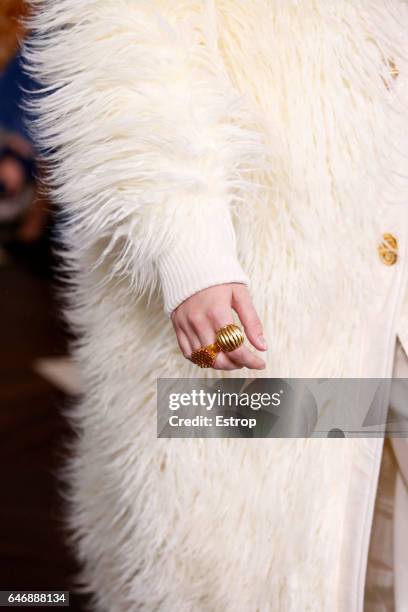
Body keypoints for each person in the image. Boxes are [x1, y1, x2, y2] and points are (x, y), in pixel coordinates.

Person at [24, 1, 408, 611]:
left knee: (374, 546)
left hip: (384, 308)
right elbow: (129, 45)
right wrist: (190, 251)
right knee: (242, 547)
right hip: (268, 300)